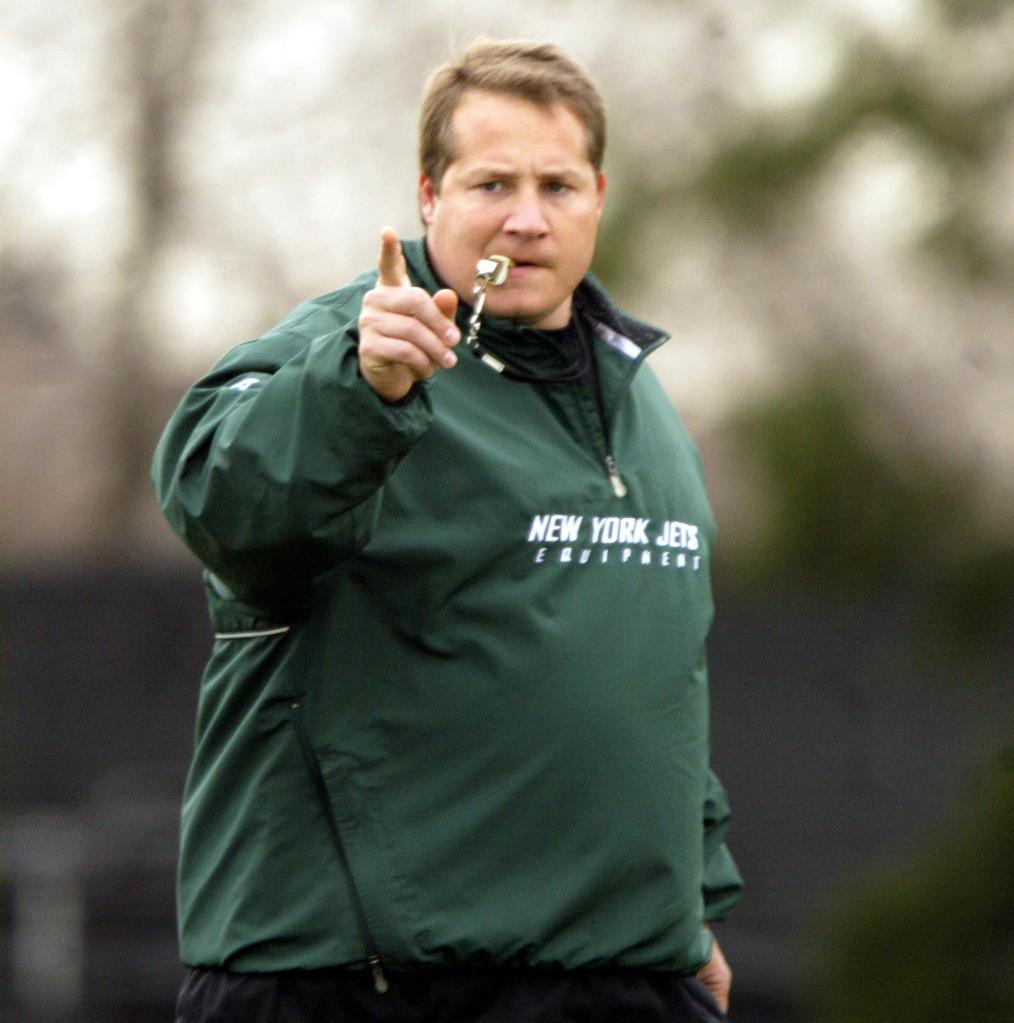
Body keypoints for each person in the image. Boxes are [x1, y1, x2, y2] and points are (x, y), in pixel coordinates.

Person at [154, 38, 743, 1023]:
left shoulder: (643, 404)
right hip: (360, 981)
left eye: (557, 184)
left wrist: (691, 908)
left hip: (622, 975)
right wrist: (361, 387)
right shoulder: (344, 352)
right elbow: (218, 502)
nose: (526, 215)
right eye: (490, 183)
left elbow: (649, 680)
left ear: (600, 194)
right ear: (428, 196)